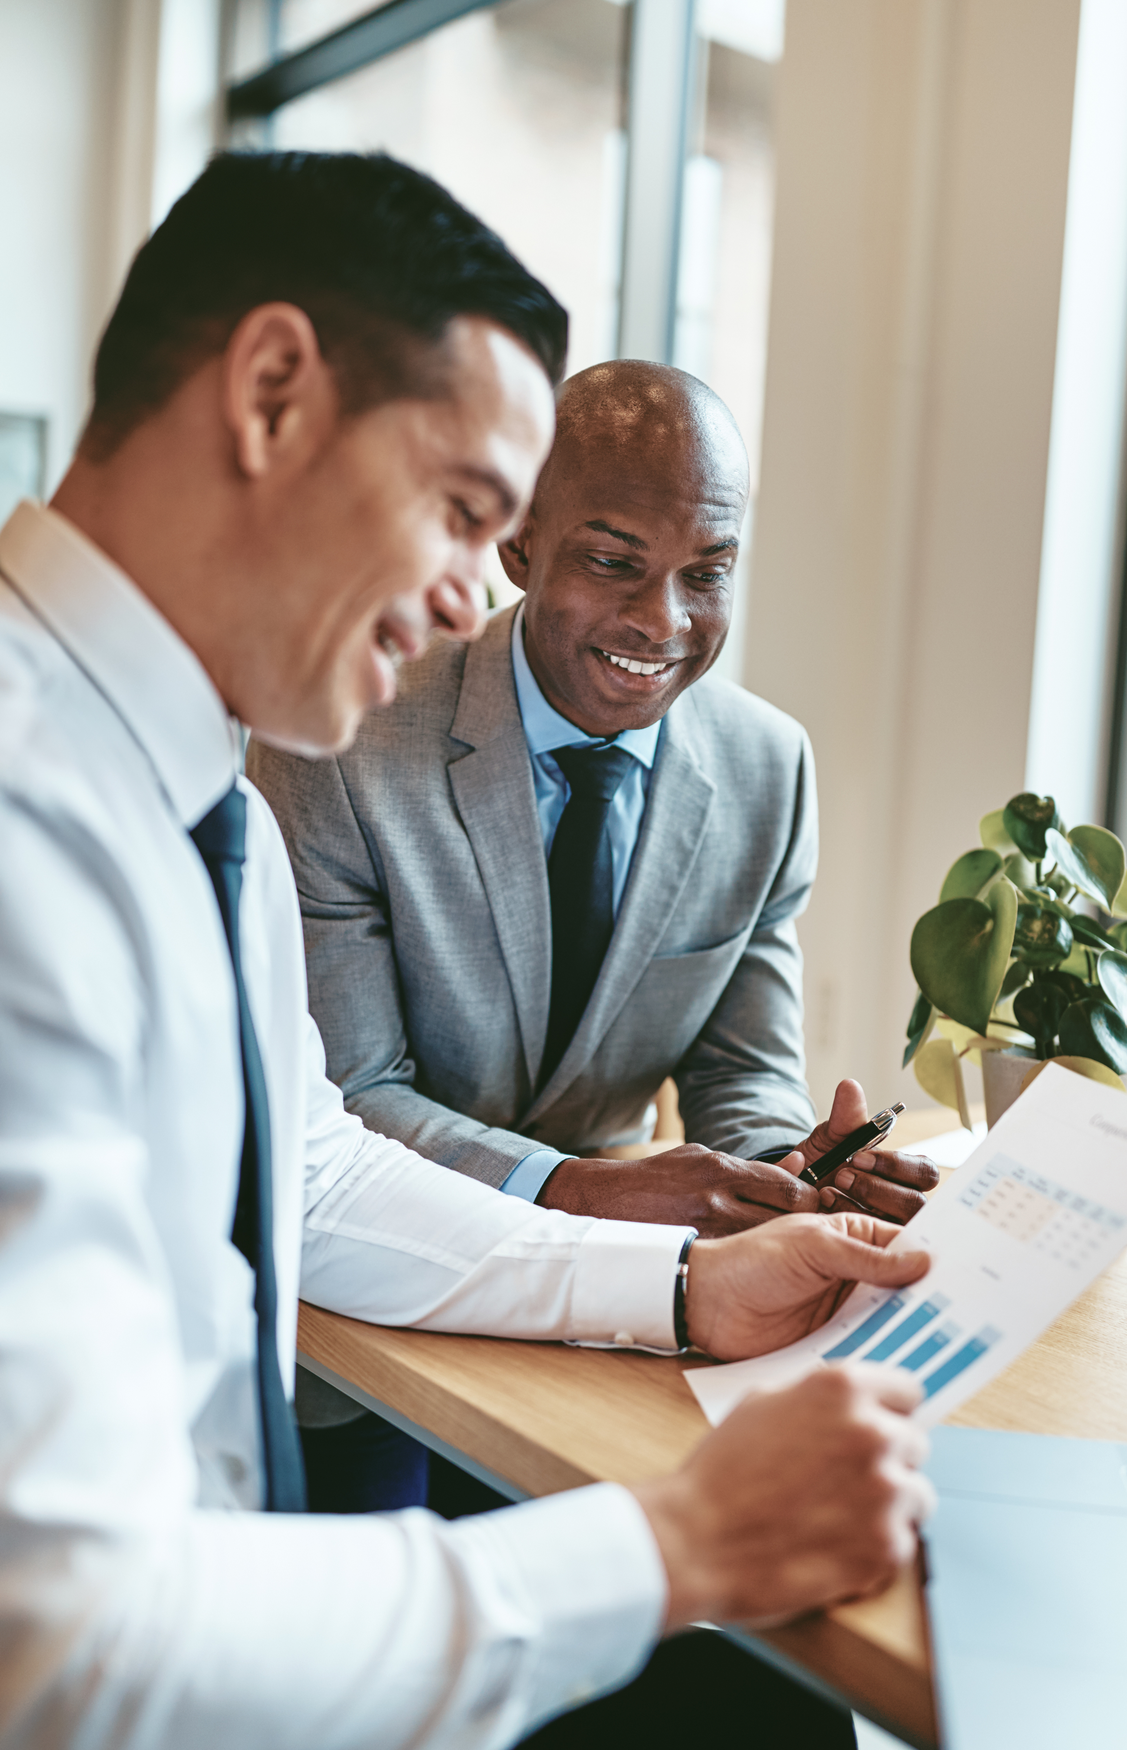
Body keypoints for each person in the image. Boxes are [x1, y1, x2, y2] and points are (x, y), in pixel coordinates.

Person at [0, 150, 935, 1749]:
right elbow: (64, 1638)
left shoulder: (188, 804)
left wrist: (691, 1287)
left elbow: (313, 1174)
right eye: (463, 512)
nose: (460, 608)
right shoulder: (28, 828)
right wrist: (678, 1543)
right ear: (275, 393)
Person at [252, 360, 936, 1243]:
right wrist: (575, 1189)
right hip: (378, 1251)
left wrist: (794, 1173)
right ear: (519, 544)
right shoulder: (346, 739)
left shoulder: (769, 768)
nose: (663, 621)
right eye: (614, 562)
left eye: (707, 573)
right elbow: (348, 1094)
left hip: (626, 1267)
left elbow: (740, 1073)